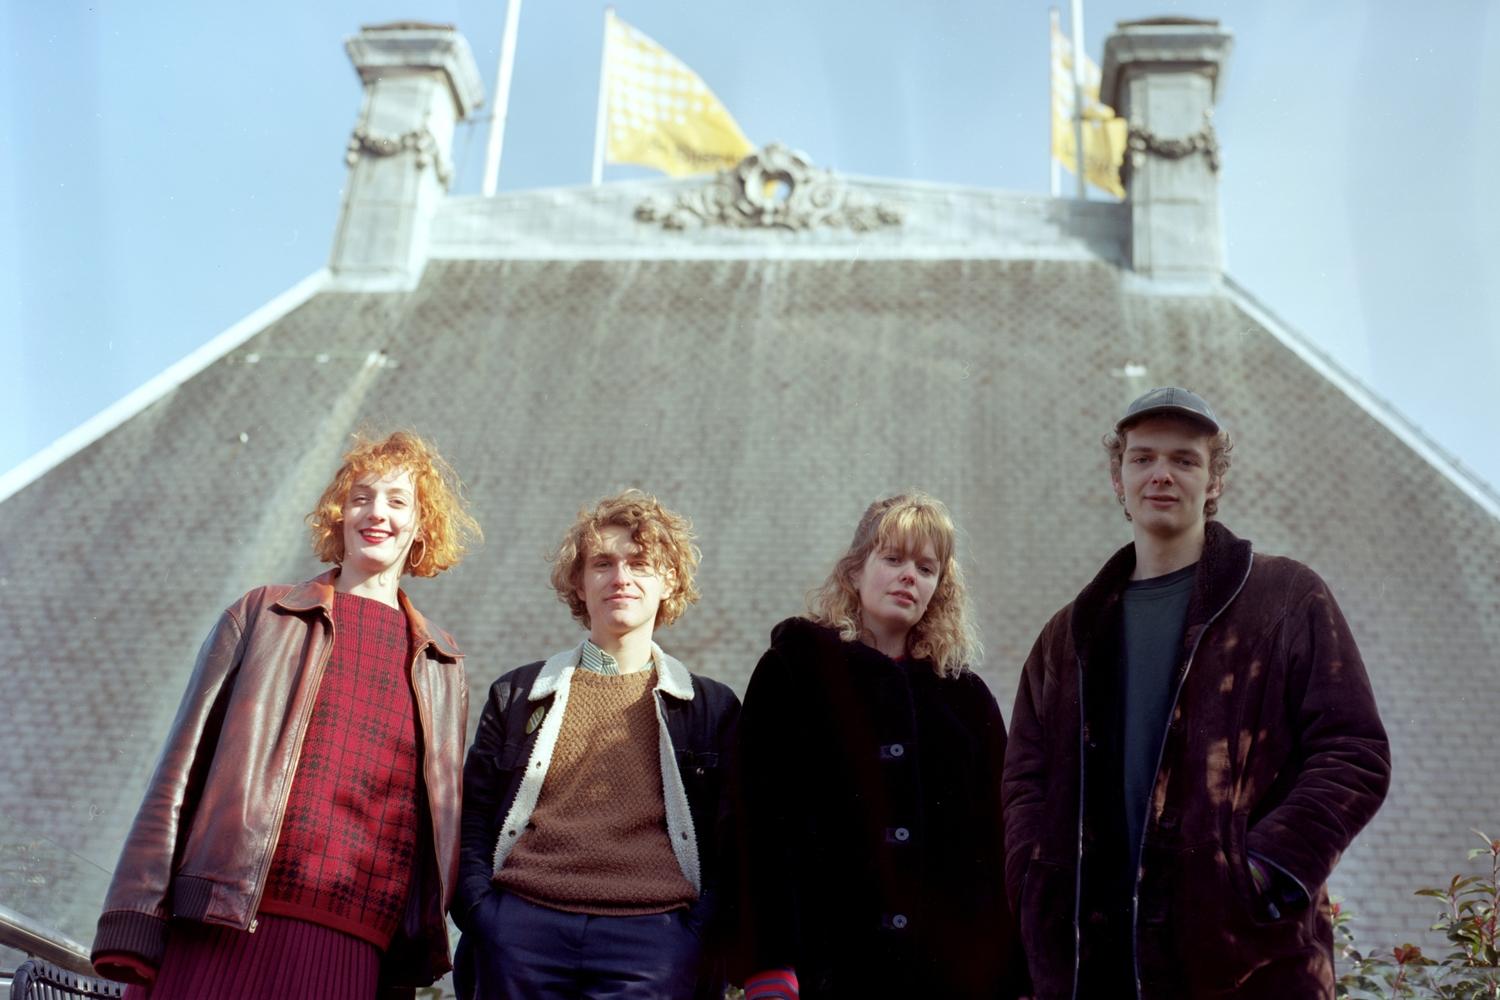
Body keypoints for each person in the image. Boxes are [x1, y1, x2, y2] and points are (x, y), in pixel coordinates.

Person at [1003, 387, 1392, 999]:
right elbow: (1025, 783)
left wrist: (1263, 872)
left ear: (1214, 482)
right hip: (1095, 972)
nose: (1161, 474)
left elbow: (1353, 751)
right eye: (1143, 458)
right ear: (1118, 478)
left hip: (1246, 965)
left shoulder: (1286, 598)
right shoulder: (1067, 635)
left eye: (1184, 460)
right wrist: (1037, 889)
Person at [91, 430, 482, 999]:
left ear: (421, 525)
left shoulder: (441, 664)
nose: (377, 513)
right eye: (361, 497)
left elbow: (432, 826)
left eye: (398, 501)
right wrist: (136, 921)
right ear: (339, 515)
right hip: (225, 922)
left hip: (352, 945)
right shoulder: (262, 614)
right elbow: (180, 772)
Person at [452, 489, 740, 1000]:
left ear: (669, 581)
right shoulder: (517, 694)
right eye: (603, 563)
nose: (620, 577)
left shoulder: (709, 708)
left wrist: (693, 939)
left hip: (653, 941)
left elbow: (732, 837)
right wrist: (484, 916)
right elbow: (471, 815)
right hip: (522, 930)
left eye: (639, 564)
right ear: (579, 584)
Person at [736, 493, 1025, 1000]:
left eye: (926, 568)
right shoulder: (794, 671)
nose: (909, 576)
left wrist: (1013, 976)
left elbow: (1000, 842)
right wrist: (769, 962)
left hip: (948, 978)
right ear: (855, 571)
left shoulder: (966, 699)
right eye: (893, 559)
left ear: (939, 588)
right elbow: (757, 822)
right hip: (827, 966)